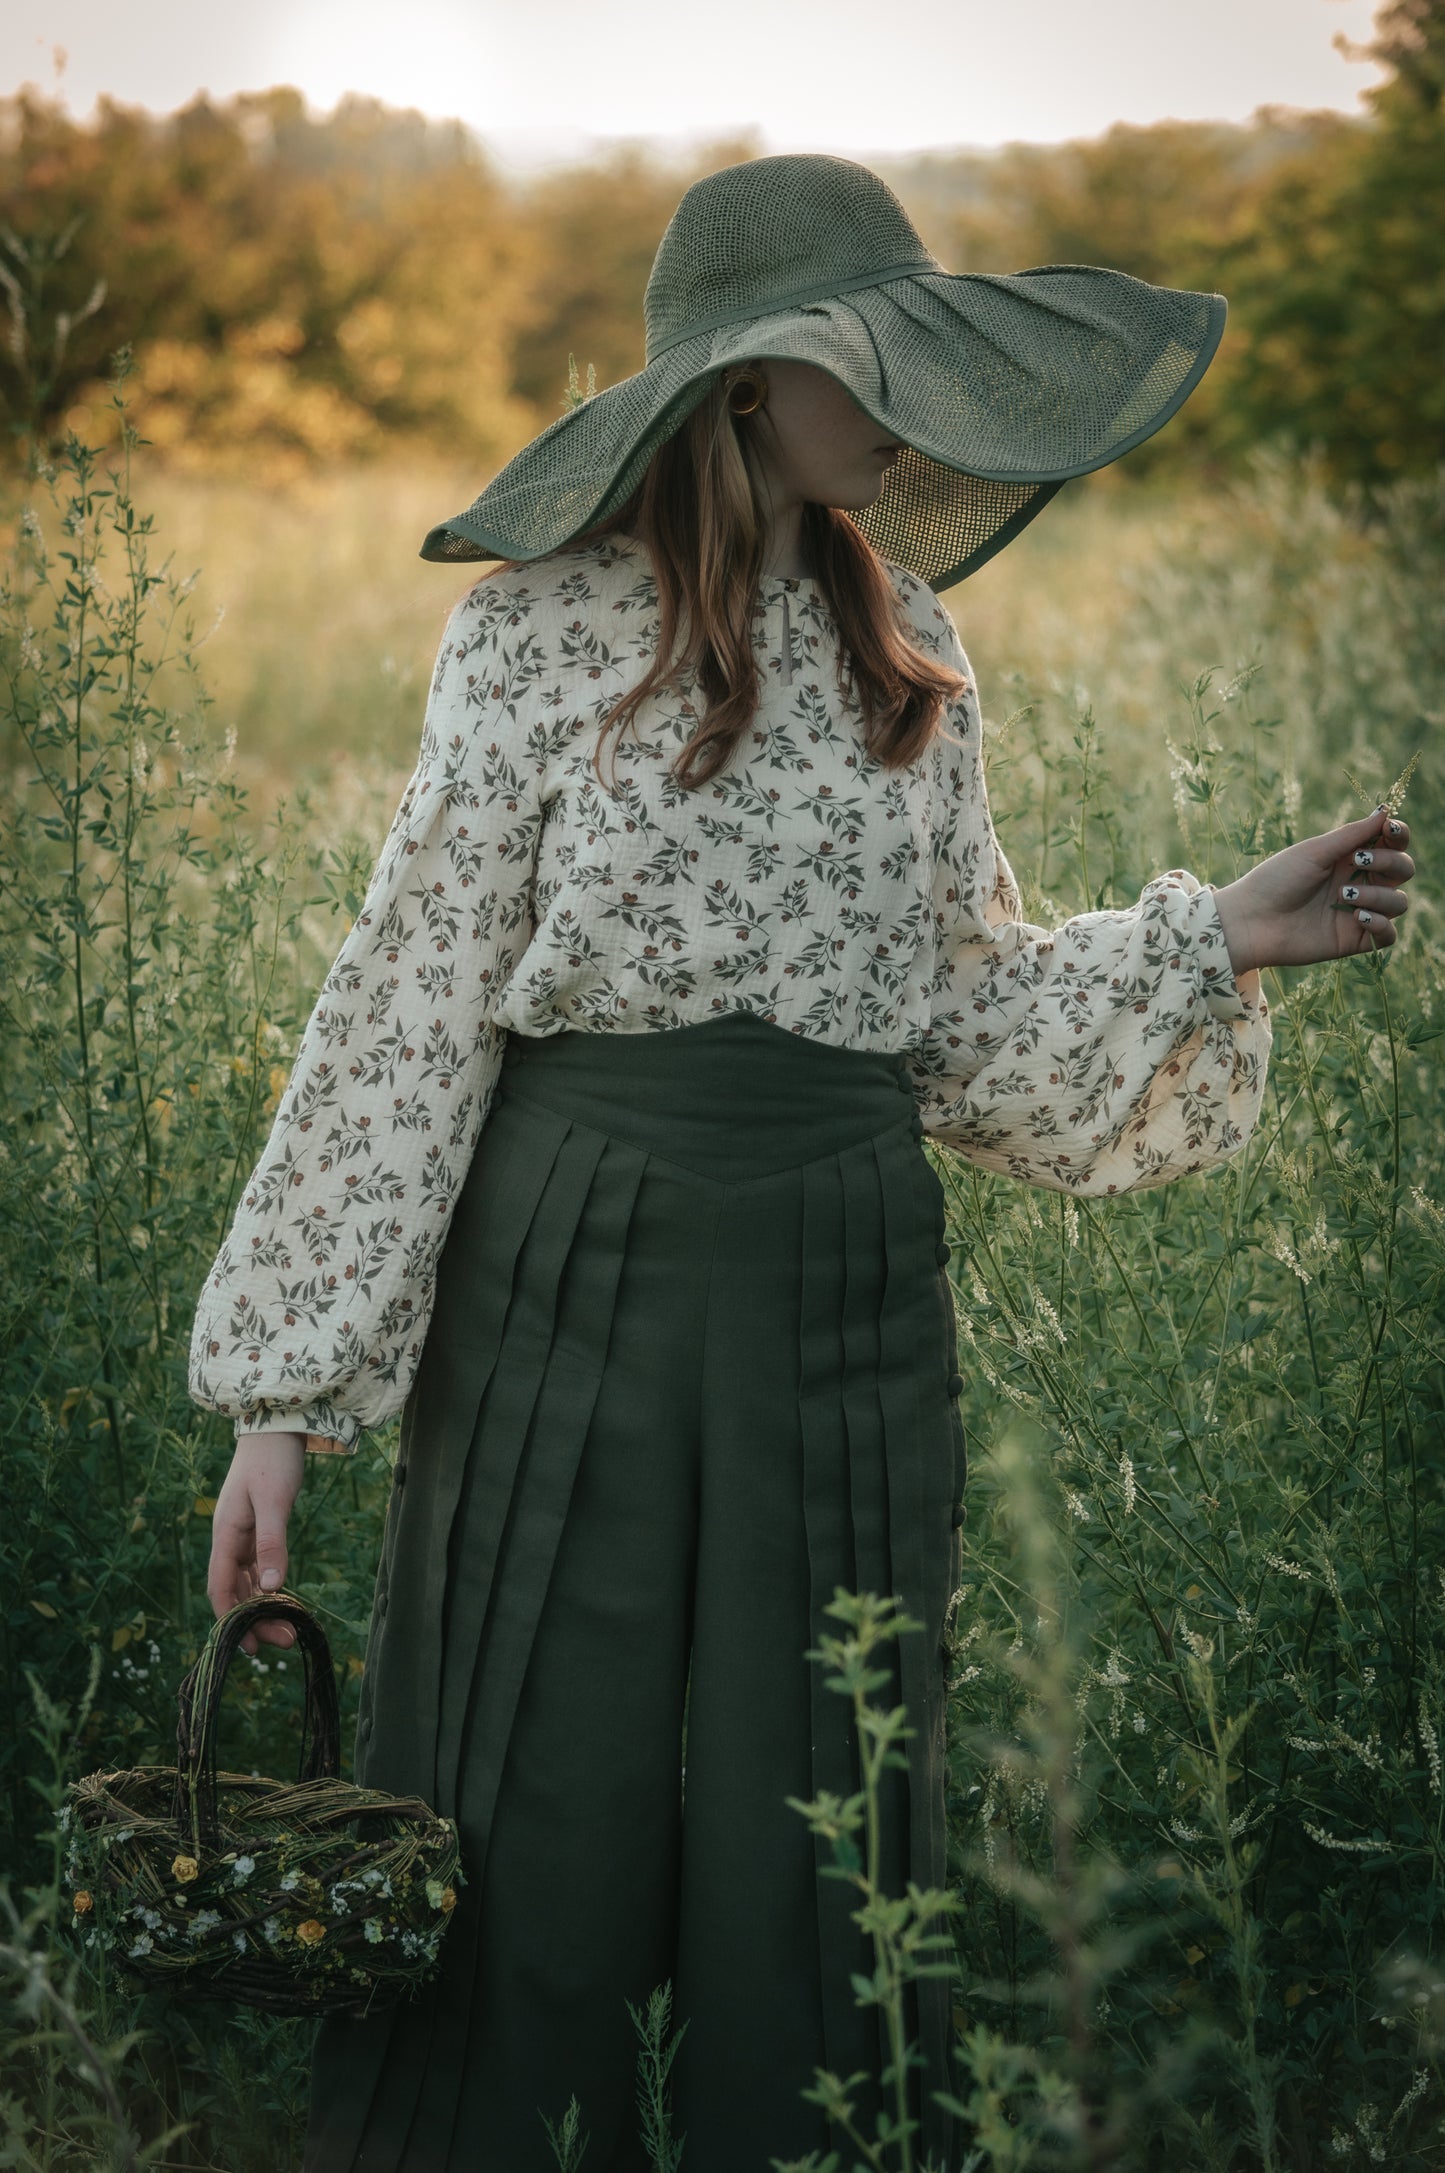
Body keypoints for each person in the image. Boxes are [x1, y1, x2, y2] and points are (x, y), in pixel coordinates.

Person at [188, 154, 1416, 2173]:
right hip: (565, 1274)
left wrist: (1221, 932)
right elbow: (407, 1009)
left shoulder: (910, 641)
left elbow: (966, 1025)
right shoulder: (529, 645)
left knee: (827, 1817)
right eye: (870, 352)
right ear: (752, 383)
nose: (907, 396)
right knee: (530, 1801)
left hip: (848, 1285)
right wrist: (283, 1409)